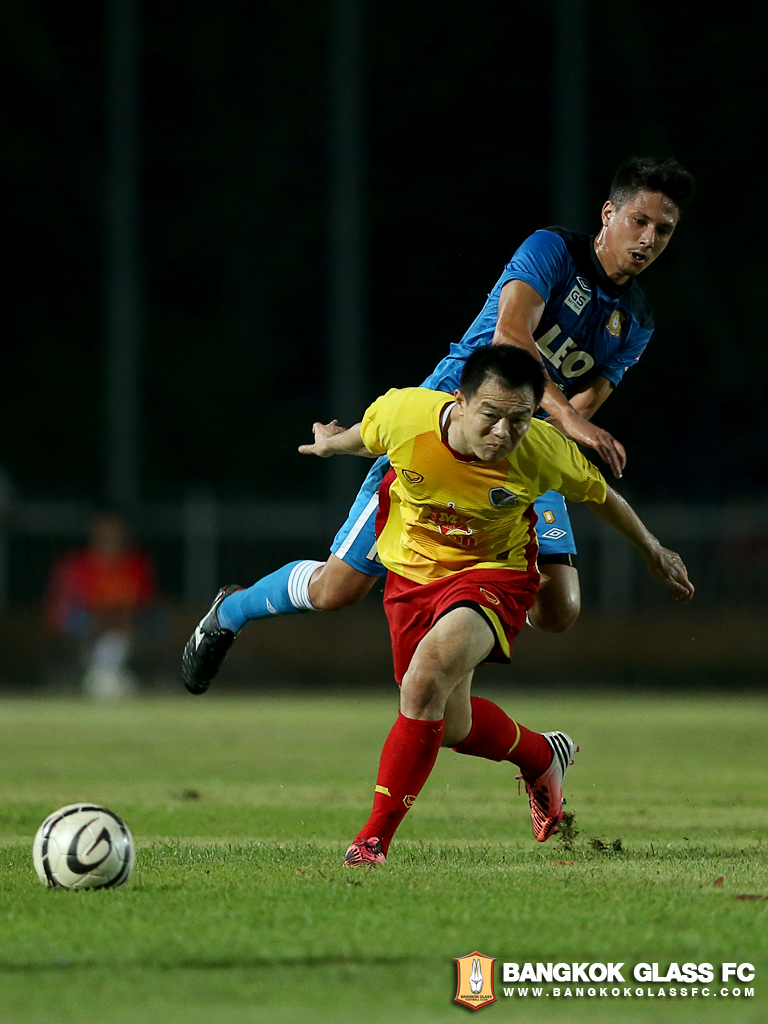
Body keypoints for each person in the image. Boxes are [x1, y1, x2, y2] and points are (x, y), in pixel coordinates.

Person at [181, 155, 695, 695]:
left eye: (663, 230)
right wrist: (564, 414)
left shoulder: (637, 320)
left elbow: (585, 407)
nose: (649, 239)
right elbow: (510, 334)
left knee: (559, 607)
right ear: (609, 213)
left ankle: (459, 639)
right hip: (444, 432)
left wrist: (559, 438)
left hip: (517, 451)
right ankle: (231, 611)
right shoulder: (553, 251)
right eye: (639, 221)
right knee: (338, 590)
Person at [188, 346, 694, 863]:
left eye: (518, 420)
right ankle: (542, 754)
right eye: (490, 416)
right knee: (451, 725)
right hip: (412, 577)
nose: (503, 433)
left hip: (492, 575)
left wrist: (653, 550)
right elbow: (366, 435)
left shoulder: (542, 449)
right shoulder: (408, 414)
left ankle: (372, 842)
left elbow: (601, 495)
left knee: (424, 679)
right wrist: (329, 444)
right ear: (460, 401)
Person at [47, 508, 156, 698]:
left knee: (148, 624)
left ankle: (108, 674)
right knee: (78, 622)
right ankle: (103, 674)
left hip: (125, 625)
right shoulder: (76, 564)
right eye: (104, 530)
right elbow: (62, 608)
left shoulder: (136, 563)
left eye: (115, 531)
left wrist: (122, 620)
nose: (110, 536)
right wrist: (98, 621)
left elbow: (146, 604)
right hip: (88, 625)